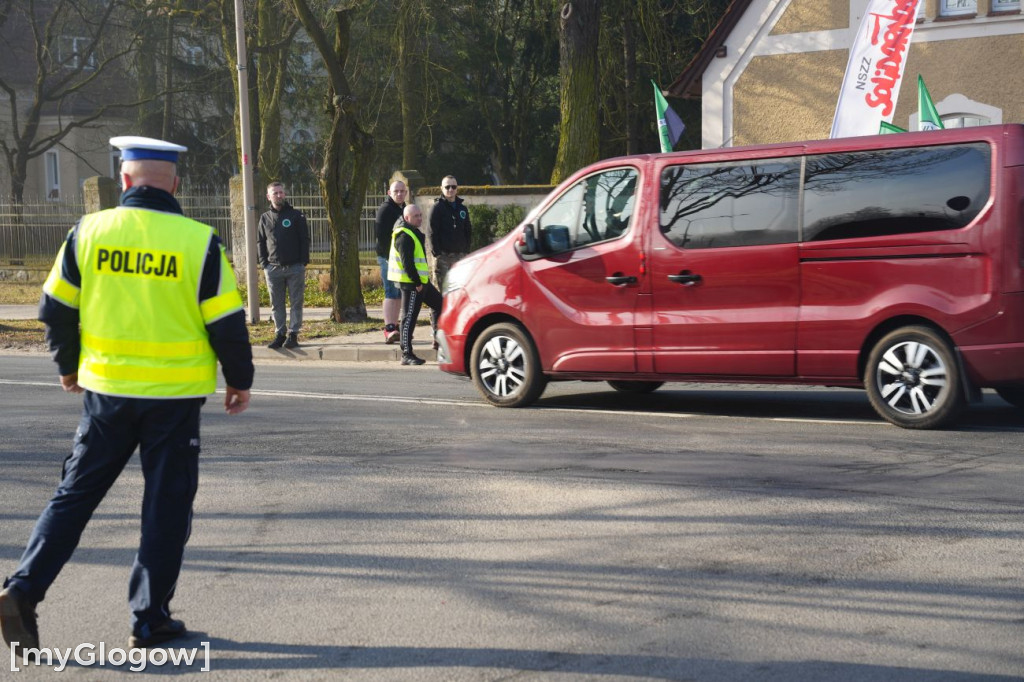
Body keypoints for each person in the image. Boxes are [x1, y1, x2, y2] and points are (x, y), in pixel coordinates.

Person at [0, 136, 254, 653]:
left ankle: (22, 591)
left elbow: (53, 309)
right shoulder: (198, 242)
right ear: (175, 183)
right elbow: (227, 323)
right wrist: (239, 379)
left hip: (106, 394)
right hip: (174, 399)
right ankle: (149, 620)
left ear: (122, 181)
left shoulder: (88, 231)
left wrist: (69, 366)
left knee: (74, 497)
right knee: (164, 507)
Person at [258, 182, 310, 349]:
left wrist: (303, 262)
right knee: (276, 303)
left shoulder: (296, 215)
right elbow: (260, 242)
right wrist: (264, 263)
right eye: (275, 193)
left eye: (281, 192)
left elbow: (304, 239)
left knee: (296, 302)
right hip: (273, 268)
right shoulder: (265, 218)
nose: (279, 195)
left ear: (285, 195)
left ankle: (293, 334)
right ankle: (279, 333)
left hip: (295, 267)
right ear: (269, 196)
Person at [388, 204, 442, 365]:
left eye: (420, 215)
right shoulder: (404, 236)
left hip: (422, 283)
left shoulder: (413, 232)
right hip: (412, 284)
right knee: (409, 318)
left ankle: (440, 339)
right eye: (416, 216)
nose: (420, 218)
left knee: (441, 304)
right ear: (407, 218)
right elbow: (408, 264)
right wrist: (417, 283)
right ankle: (406, 353)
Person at [374, 181, 407, 344]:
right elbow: (381, 236)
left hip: (399, 259)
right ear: (389, 192)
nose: (399, 194)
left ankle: (396, 326)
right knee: (390, 292)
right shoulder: (385, 209)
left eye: (402, 191)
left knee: (399, 293)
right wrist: (391, 256)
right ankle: (389, 328)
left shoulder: (403, 208)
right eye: (396, 191)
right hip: (388, 258)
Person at [428, 175, 472, 296]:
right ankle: (438, 315)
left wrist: (466, 250)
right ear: (441, 188)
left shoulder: (462, 208)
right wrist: (437, 253)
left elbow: (468, 230)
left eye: (453, 187)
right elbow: (432, 232)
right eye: (447, 187)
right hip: (443, 257)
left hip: (460, 256)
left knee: (459, 291)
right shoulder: (437, 208)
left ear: (457, 188)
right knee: (441, 292)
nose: (450, 189)